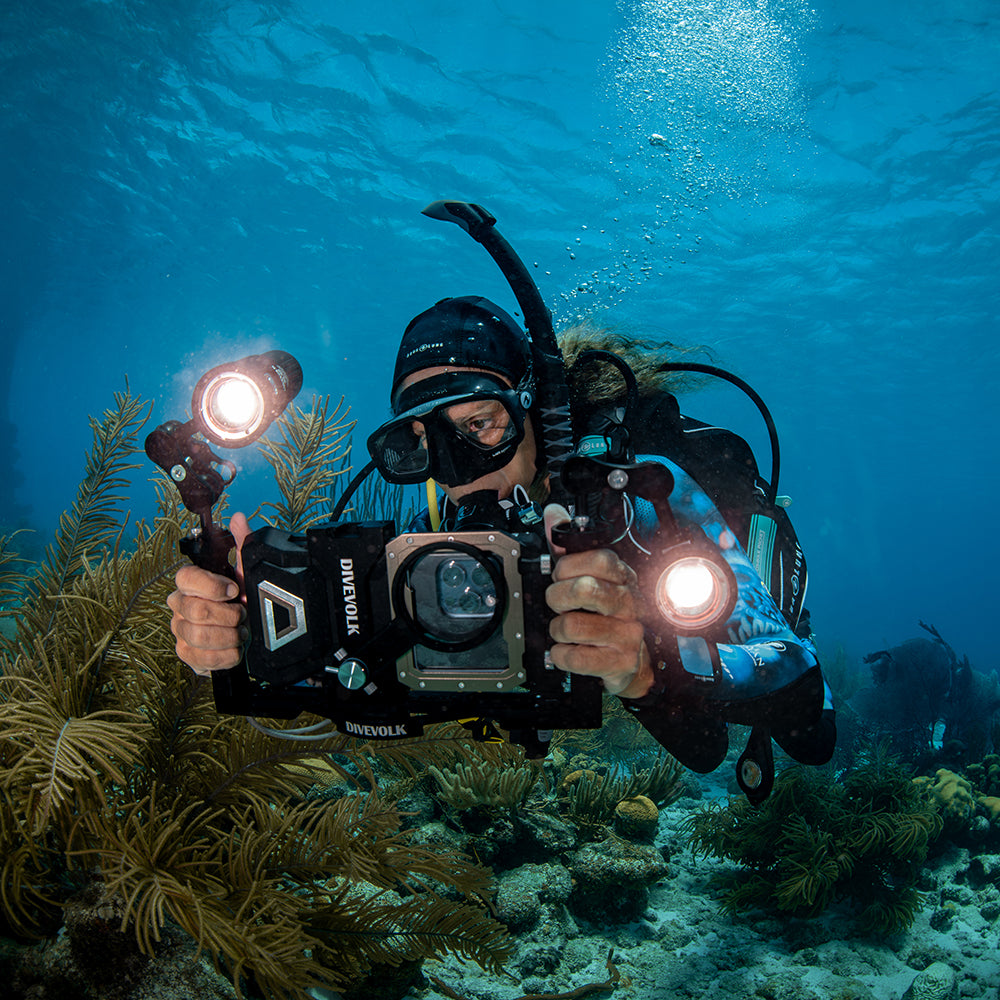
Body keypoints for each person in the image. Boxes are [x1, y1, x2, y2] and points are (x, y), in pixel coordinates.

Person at [168, 295, 835, 776]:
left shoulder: (656, 482)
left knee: (796, 746)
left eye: (482, 424)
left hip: (729, 602)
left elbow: (811, 721)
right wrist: (251, 637)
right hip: (672, 688)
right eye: (425, 443)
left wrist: (643, 665)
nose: (460, 471)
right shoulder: (447, 525)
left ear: (534, 410)